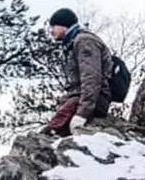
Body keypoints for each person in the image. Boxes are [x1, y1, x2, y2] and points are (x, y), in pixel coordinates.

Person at [41, 7, 112, 136]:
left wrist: (82, 114)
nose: (51, 31)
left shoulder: (84, 41)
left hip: (90, 99)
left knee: (48, 134)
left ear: (64, 25)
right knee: (51, 133)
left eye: (54, 26)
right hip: (78, 98)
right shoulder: (74, 43)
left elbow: (91, 78)